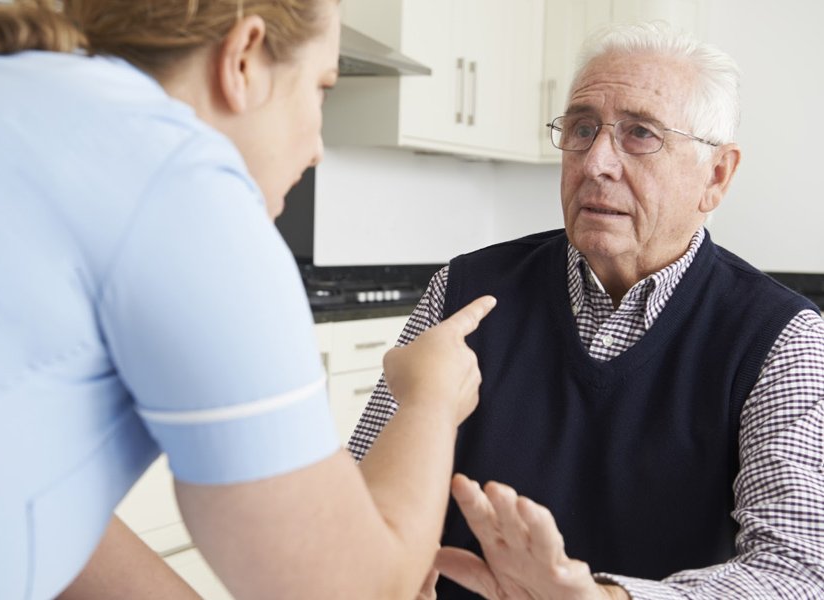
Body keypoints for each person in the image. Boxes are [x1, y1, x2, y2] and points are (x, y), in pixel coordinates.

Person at [0, 1, 498, 598]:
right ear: (243, 59)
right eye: (321, 88)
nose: (317, 148)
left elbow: (27, 489)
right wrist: (429, 401)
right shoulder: (181, 182)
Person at [349, 21, 824, 600]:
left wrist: (602, 598)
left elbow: (798, 571)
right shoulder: (464, 293)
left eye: (641, 133)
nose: (596, 161)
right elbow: (356, 510)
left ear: (716, 176)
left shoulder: (780, 339)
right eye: (581, 128)